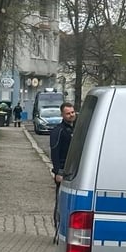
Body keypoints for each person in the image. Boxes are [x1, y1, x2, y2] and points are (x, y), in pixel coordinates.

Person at [49, 101, 76, 240]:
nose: (71, 115)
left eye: (72, 112)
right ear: (62, 114)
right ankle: (57, 229)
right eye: (68, 113)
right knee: (60, 202)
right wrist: (57, 172)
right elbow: (55, 152)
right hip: (62, 171)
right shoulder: (58, 131)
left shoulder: (78, 129)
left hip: (75, 171)